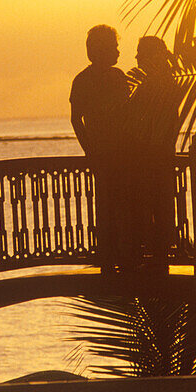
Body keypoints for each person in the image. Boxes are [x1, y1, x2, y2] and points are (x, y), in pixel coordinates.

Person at [70, 25, 130, 273]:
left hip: (123, 152)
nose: (118, 51)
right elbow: (77, 119)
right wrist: (90, 150)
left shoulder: (118, 77)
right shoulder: (85, 80)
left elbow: (129, 114)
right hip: (106, 154)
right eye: (114, 47)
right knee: (109, 206)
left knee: (120, 205)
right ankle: (110, 257)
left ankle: (121, 255)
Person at [126, 36, 180, 275]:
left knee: (155, 206)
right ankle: (159, 255)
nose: (137, 59)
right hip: (158, 155)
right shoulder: (164, 82)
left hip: (153, 157)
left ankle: (157, 257)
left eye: (141, 54)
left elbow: (151, 122)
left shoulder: (157, 84)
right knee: (159, 206)